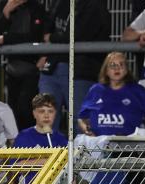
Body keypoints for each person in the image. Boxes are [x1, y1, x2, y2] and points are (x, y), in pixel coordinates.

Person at [78, 52, 145, 184]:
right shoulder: (96, 90)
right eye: (113, 65)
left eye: (121, 65)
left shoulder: (137, 91)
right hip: (99, 150)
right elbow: (81, 118)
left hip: (128, 151)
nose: (117, 68)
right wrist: (86, 129)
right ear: (106, 70)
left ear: (127, 69)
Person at [39, 0, 111, 132]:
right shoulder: (59, 3)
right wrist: (44, 52)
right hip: (52, 67)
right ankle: (49, 152)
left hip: (80, 71)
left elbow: (80, 34)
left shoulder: (95, 5)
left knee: (80, 121)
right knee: (46, 120)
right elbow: (46, 28)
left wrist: (53, 38)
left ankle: (82, 153)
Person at [0, 0, 51, 130]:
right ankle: (18, 147)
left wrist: (6, 39)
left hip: (32, 68)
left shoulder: (37, 8)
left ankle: (31, 145)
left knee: (26, 109)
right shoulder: (5, 6)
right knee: (13, 114)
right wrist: (6, 14)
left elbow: (34, 37)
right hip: (12, 69)